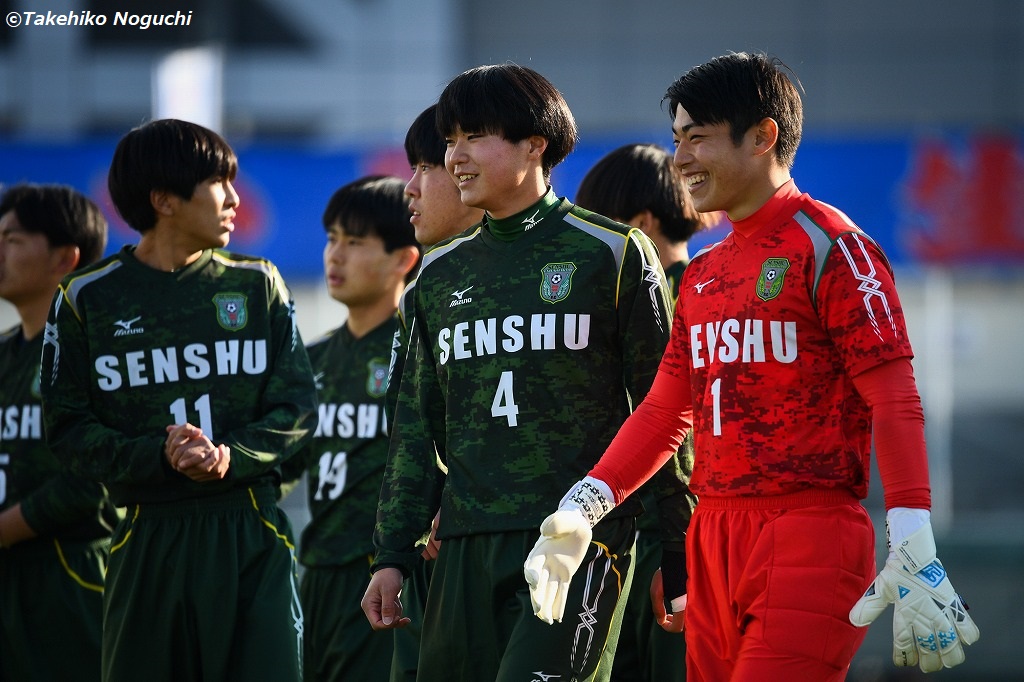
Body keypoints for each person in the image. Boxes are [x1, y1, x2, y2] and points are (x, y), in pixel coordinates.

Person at [525, 51, 980, 681]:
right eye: (677, 138)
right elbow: (664, 412)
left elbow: (895, 398)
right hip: (711, 535)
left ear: (763, 136)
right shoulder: (705, 273)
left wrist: (911, 532)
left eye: (699, 138)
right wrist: (584, 504)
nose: (680, 157)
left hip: (810, 533)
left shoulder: (832, 246)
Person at [361, 63, 692, 682]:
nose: (455, 155)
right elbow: (414, 428)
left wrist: (676, 546)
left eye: (473, 136)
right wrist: (392, 557)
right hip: (463, 545)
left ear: (535, 144)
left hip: (579, 542)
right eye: (449, 138)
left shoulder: (611, 251)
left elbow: (667, 409)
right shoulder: (436, 274)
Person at [39, 118, 319, 682]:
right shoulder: (87, 298)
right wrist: (158, 457)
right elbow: (66, 430)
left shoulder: (257, 283)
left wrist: (227, 456)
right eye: (219, 183)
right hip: (147, 532)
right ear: (163, 199)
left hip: (250, 530)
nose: (236, 199)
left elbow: (299, 409)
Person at [279, 175, 421, 682]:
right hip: (314, 571)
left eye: (355, 242)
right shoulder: (309, 359)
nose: (335, 256)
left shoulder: (419, 350)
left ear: (404, 259)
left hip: (382, 574)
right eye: (332, 238)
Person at [574, 143, 707, 682]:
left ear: (641, 224)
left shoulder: (672, 296)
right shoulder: (713, 288)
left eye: (600, 224)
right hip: (676, 527)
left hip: (661, 531)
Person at [0, 183, 118, 681]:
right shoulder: (6, 352)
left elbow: (93, 480)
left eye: (12, 239)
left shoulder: (94, 349)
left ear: (65, 258)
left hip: (69, 576)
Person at [386, 103, 484, 682]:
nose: (411, 187)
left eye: (428, 167)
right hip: (433, 554)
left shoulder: (573, 265)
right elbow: (412, 429)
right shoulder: (426, 288)